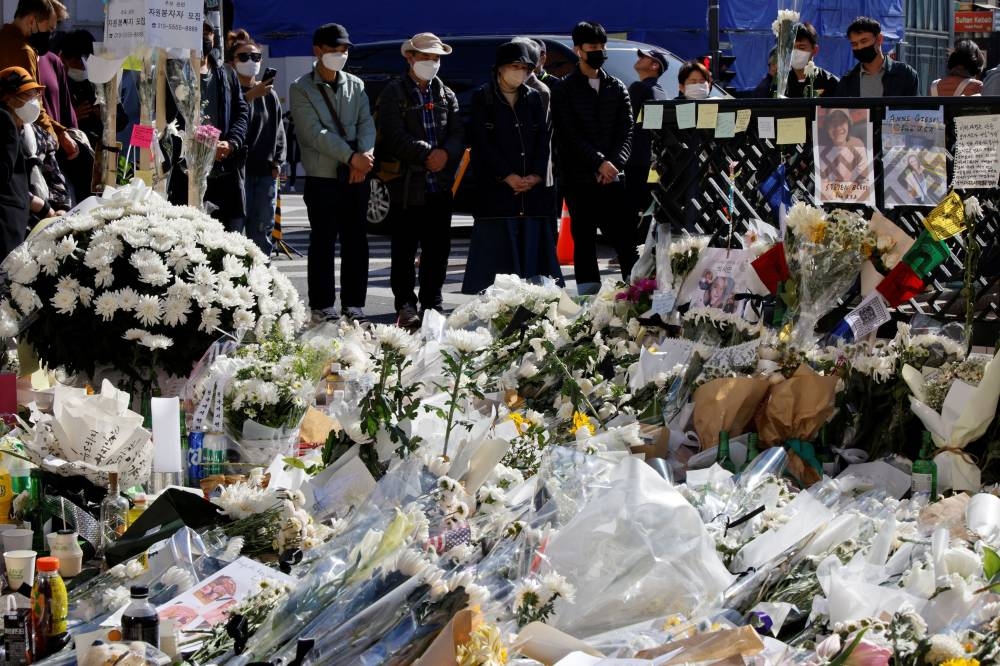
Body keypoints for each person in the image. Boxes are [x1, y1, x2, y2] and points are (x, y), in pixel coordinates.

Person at [377, 32, 464, 329]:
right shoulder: (393, 92)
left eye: (435, 58)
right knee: (403, 249)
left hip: (439, 185)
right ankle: (405, 304)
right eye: (425, 57)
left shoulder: (446, 94)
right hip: (405, 184)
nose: (431, 63)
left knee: (438, 249)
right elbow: (392, 134)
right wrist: (428, 154)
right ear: (410, 57)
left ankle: (432, 302)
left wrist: (445, 154)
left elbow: (457, 133)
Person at [289, 23, 374, 323]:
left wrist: (364, 157)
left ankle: (354, 304)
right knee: (323, 240)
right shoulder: (301, 87)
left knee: (356, 240)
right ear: (318, 51)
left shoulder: (356, 85)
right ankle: (323, 305)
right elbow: (315, 133)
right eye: (333, 50)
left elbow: (367, 124)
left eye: (344, 50)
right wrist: (353, 157)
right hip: (323, 177)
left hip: (356, 176)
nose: (340, 55)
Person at [461, 40, 560, 295]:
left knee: (535, 268)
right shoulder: (483, 97)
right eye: (514, 66)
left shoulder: (534, 97)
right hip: (496, 193)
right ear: (500, 68)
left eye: (525, 67)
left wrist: (537, 175)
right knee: (496, 266)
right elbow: (482, 144)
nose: (520, 72)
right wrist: (507, 176)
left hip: (532, 193)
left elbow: (544, 139)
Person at [551, 20, 636, 295]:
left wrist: (614, 164)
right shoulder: (564, 90)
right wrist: (599, 162)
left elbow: (627, 129)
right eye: (592, 47)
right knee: (584, 241)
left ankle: (635, 293)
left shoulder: (617, 87)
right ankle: (589, 299)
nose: (599, 52)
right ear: (578, 50)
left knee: (625, 239)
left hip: (614, 177)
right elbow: (569, 134)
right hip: (580, 179)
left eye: (602, 46)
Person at [166, 21, 249, 231]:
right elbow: (163, 116)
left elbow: (242, 113)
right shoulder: (174, 73)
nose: (204, 39)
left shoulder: (227, 74)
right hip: (183, 170)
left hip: (221, 169)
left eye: (208, 34)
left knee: (223, 232)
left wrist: (231, 144)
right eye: (198, 33)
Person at [227, 29, 286, 257]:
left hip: (264, 173)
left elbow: (278, 130)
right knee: (234, 234)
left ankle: (261, 284)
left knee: (261, 234)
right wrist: (251, 95)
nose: (251, 62)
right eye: (244, 57)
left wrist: (278, 163)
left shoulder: (269, 94)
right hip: (236, 174)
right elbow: (231, 124)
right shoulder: (229, 91)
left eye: (256, 57)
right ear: (232, 62)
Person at [0, 0, 79, 162]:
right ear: (31, 21)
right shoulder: (23, 50)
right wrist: (53, 140)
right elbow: (32, 105)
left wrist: (59, 130)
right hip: (19, 141)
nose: (50, 35)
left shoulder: (4, 39)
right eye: (49, 29)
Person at [625, 48, 668, 227]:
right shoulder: (660, 92)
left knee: (631, 208)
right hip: (652, 160)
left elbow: (625, 122)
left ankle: (628, 253)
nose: (639, 58)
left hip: (634, 159)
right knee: (648, 208)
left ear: (654, 65)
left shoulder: (638, 88)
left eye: (644, 57)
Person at [0, 66, 36, 260]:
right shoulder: (4, 119)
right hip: (6, 217)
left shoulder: (19, 125)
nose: (32, 100)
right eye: (26, 95)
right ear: (9, 98)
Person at [834, 16, 919, 97]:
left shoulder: (905, 74)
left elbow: (914, 110)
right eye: (854, 44)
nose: (859, 47)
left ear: (879, 39)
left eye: (864, 41)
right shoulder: (847, 82)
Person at [818, 109, 868, 199]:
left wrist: (847, 191)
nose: (838, 128)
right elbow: (822, 184)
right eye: (833, 123)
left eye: (842, 122)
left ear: (849, 125)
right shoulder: (823, 149)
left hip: (854, 199)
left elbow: (864, 179)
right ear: (827, 127)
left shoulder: (857, 145)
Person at [785, 23, 838, 97]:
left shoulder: (830, 83)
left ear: (815, 50)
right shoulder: (782, 84)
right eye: (792, 48)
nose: (795, 52)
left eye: (801, 48)